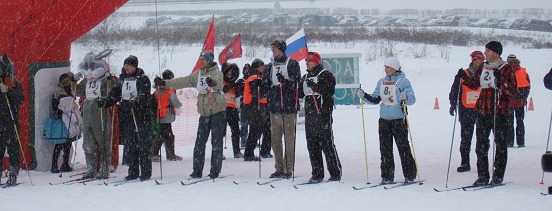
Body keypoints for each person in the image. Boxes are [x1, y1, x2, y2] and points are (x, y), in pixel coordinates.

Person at [154, 51, 225, 179]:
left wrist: (212, 82)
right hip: (204, 113)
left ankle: (215, 171)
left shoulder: (216, 72)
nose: (201, 61)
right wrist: (165, 83)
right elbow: (183, 81)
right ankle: (197, 170)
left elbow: (219, 82)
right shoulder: (198, 74)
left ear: (209, 61)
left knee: (216, 143)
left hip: (217, 112)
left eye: (203, 59)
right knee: (199, 143)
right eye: (200, 59)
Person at [460, 41, 517, 186]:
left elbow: (511, 90)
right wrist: (464, 77)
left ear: (496, 53)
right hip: (483, 110)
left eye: (488, 51)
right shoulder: (484, 66)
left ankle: (497, 176)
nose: (485, 53)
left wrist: (500, 81)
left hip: (499, 111)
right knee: (481, 145)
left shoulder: (506, 68)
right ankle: (483, 176)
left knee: (500, 145)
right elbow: (474, 84)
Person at [357, 57, 417, 184]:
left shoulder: (403, 81)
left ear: (395, 68)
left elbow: (412, 99)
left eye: (388, 67)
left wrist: (405, 97)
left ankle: (410, 175)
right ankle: (387, 176)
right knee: (385, 149)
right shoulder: (382, 81)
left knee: (403, 148)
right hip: (384, 120)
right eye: (385, 67)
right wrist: (364, 96)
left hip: (398, 120)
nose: (386, 69)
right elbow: (375, 98)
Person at [99, 55, 155, 181]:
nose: (126, 69)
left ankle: (145, 172)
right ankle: (133, 171)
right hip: (127, 116)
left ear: (134, 66)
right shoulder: (122, 79)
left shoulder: (143, 78)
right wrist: (106, 101)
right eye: (125, 66)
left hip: (141, 116)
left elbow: (144, 96)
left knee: (142, 144)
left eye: (128, 66)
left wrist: (137, 103)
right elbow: (115, 94)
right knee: (131, 144)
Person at [299, 52, 342, 183]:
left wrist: (316, 86)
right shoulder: (305, 76)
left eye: (309, 61)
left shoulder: (326, 74)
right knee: (312, 146)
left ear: (316, 62)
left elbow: (329, 91)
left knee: (327, 145)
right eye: (306, 61)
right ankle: (317, 173)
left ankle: (335, 173)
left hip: (323, 115)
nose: (307, 63)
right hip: (310, 116)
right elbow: (301, 93)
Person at [263, 39, 301, 178]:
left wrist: (285, 82)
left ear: (282, 49)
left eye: (275, 49)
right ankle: (279, 167)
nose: (273, 51)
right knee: (276, 139)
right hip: (274, 107)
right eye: (272, 49)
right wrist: (268, 84)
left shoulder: (292, 63)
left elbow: (297, 83)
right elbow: (265, 84)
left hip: (289, 107)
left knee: (289, 139)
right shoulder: (269, 66)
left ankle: (288, 168)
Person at [76, 51, 116, 179]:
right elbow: (76, 91)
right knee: (88, 143)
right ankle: (91, 168)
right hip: (87, 111)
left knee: (103, 140)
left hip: (100, 112)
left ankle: (105, 168)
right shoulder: (86, 82)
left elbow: (112, 90)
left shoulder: (104, 80)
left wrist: (109, 79)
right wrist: (73, 81)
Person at [448, 51, 484, 172]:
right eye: (478, 59)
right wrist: (453, 104)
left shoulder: (485, 73)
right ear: (473, 60)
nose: (480, 62)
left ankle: (482, 163)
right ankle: (465, 162)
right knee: (465, 138)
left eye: (481, 59)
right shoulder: (463, 74)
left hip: (481, 110)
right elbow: (454, 90)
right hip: (466, 110)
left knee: (482, 139)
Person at [0, 53, 24, 185]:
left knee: (13, 149)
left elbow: (20, 99)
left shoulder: (13, 83)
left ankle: (13, 173)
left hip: (11, 121)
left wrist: (8, 91)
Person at [242, 59, 272, 161]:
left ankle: (251, 152)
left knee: (257, 129)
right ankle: (249, 153)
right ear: (257, 67)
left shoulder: (253, 76)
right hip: (253, 106)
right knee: (256, 129)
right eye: (262, 65)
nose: (263, 67)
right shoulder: (254, 77)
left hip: (253, 106)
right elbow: (257, 93)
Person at [50, 72, 80, 174]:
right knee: (60, 143)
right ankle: (54, 165)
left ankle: (65, 164)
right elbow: (55, 106)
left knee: (67, 142)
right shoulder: (58, 92)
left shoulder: (68, 90)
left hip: (68, 119)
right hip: (61, 119)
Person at [151, 69, 183, 162]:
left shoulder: (157, 90)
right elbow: (176, 103)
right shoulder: (169, 91)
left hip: (158, 115)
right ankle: (169, 154)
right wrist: (179, 105)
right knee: (168, 135)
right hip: (167, 115)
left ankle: (155, 153)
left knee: (161, 134)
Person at [505, 55, 530, 148]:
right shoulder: (523, 72)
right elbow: (528, 86)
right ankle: (520, 142)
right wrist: (524, 97)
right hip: (520, 101)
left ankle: (509, 142)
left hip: (509, 102)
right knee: (520, 122)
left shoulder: (505, 71)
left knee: (509, 123)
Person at [221, 63, 243, 158]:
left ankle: (237, 151)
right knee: (221, 131)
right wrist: (232, 84)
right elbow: (223, 90)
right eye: (228, 71)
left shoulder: (233, 83)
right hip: (222, 108)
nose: (230, 73)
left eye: (231, 71)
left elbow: (237, 94)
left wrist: (239, 86)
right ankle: (219, 152)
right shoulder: (221, 81)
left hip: (233, 109)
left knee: (236, 131)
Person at [237, 64, 251, 148]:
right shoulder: (240, 81)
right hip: (244, 105)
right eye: (245, 70)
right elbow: (238, 92)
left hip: (252, 105)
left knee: (252, 125)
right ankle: (243, 140)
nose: (247, 71)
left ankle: (250, 140)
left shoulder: (252, 79)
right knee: (244, 125)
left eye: (248, 69)